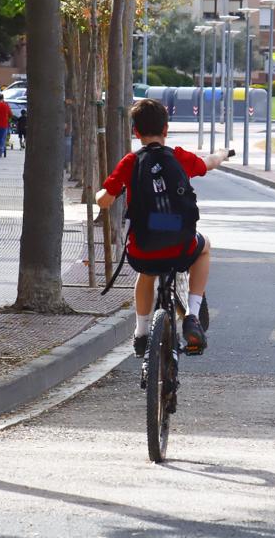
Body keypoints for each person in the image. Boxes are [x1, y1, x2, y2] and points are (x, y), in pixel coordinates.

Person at [96, 98, 231, 357]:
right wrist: (223, 153)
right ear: (166, 129)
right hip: (181, 246)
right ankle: (192, 315)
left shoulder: (130, 162)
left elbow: (105, 199)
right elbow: (209, 162)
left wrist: (98, 196)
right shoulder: (179, 157)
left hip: (143, 248)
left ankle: (142, 332)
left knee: (146, 274)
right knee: (205, 248)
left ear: (136, 132)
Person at [0, 94, 11, 158]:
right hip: (4, 124)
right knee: (2, 138)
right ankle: (0, 152)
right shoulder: (6, 105)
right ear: (3, 98)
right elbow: (10, 114)